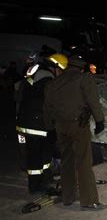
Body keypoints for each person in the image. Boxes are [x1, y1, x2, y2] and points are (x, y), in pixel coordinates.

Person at [43, 54, 107, 211]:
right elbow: (93, 101)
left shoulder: (53, 83)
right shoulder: (84, 78)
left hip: (60, 126)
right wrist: (100, 120)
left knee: (66, 161)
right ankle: (89, 201)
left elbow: (46, 108)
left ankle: (68, 197)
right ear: (81, 67)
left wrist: (49, 128)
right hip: (78, 125)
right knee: (84, 162)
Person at [15, 53, 67, 194]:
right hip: (36, 125)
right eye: (61, 70)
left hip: (27, 122)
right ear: (55, 68)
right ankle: (36, 186)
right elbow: (50, 104)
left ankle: (44, 180)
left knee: (41, 155)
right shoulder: (47, 80)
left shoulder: (35, 73)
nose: (60, 74)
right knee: (36, 157)